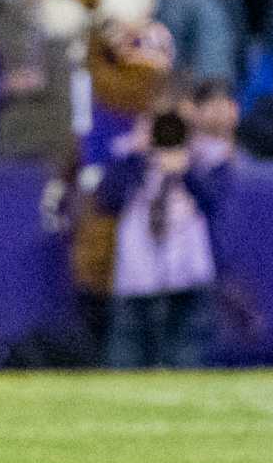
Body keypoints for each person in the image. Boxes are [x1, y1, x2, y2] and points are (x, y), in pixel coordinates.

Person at [95, 107, 229, 368]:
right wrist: (137, 155)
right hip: (137, 275)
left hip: (188, 277)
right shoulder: (129, 158)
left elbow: (216, 203)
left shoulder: (208, 158)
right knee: (126, 364)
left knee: (186, 363)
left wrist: (186, 170)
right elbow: (107, 200)